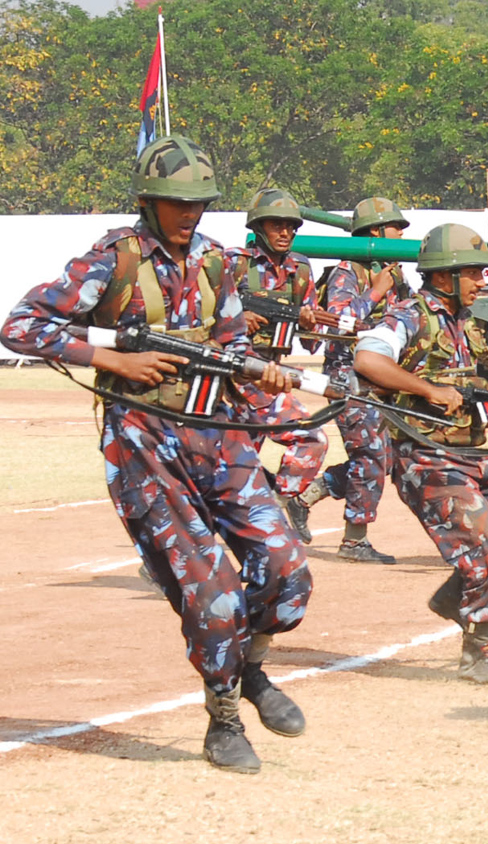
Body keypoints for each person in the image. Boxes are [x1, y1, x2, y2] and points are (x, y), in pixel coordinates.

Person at [0, 135, 312, 773]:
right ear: (148, 199)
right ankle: (223, 713)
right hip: (143, 441)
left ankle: (251, 670)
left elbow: (227, 342)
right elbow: (21, 324)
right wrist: (111, 357)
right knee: (212, 589)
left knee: (287, 568)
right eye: (176, 202)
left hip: (215, 430)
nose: (189, 213)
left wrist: (260, 375)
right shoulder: (112, 260)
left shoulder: (220, 264)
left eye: (198, 203)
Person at [352, 224, 488, 685]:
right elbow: (367, 360)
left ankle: (457, 597)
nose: (484, 281)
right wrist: (427, 389)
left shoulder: (464, 322)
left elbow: (472, 382)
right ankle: (478, 653)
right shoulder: (411, 316)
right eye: (474, 273)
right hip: (424, 456)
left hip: (470, 453)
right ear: (444, 277)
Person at [291, 197, 412, 563]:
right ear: (375, 233)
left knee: (386, 457)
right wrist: (375, 291)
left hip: (383, 376)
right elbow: (340, 321)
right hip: (348, 376)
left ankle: (304, 497)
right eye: (395, 229)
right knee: (370, 454)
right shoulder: (348, 273)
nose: (402, 236)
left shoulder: (393, 273)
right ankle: (354, 540)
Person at [224, 188, 329, 537]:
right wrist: (240, 317)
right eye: (275, 225)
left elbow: (312, 342)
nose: (284, 232)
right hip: (229, 379)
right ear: (258, 227)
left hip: (270, 375)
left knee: (311, 438)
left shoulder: (299, 271)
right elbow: (201, 311)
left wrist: (311, 323)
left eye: (290, 226)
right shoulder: (233, 263)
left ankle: (280, 504)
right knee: (226, 468)